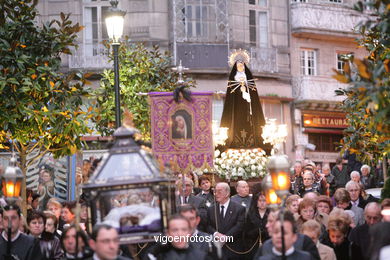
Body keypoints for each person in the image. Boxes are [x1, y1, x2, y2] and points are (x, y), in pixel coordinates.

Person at [254, 209, 320, 260]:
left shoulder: (305, 244)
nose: (267, 225)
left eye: (271, 221)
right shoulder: (265, 246)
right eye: (276, 232)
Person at [206, 182, 245, 259]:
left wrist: (226, 237)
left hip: (233, 249)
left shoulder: (239, 208)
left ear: (227, 193)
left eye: (219, 191)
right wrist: (216, 234)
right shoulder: (211, 209)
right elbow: (207, 225)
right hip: (216, 249)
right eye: (215, 191)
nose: (216, 194)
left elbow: (239, 226)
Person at [244, 192, 270, 259]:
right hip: (253, 246)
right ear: (256, 202)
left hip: (268, 245)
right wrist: (257, 231)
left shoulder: (272, 214)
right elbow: (246, 232)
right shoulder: (250, 214)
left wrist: (265, 232)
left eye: (264, 200)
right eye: (260, 200)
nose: (262, 203)